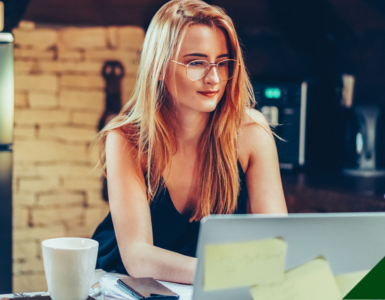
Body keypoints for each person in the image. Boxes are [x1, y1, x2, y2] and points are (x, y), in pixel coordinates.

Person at [91, 0, 287, 284]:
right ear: (159, 67)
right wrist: (228, 272)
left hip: (207, 287)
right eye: (196, 62)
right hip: (122, 284)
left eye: (222, 62)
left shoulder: (252, 132)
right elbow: (137, 257)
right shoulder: (126, 139)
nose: (214, 78)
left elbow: (277, 244)